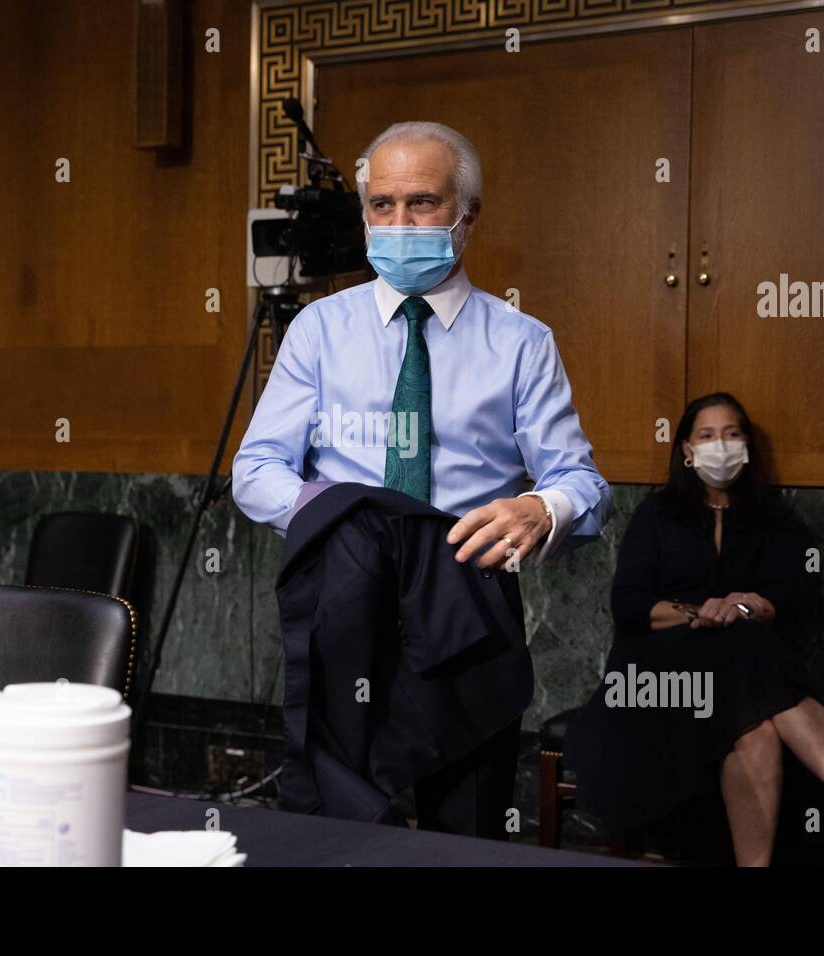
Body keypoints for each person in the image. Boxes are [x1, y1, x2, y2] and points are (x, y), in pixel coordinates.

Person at [232, 121, 611, 838]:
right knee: (331, 832)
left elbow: (583, 483)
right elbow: (255, 472)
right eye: (383, 205)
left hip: (464, 606)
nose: (399, 223)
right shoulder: (317, 330)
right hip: (343, 603)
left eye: (423, 203)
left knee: (463, 836)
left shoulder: (522, 343)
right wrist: (348, 516)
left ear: (467, 217)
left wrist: (543, 506)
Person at [563, 392, 824, 865]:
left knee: (752, 714)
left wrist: (752, 606)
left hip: (739, 681)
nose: (721, 445)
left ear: (748, 446)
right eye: (708, 436)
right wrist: (700, 612)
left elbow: (794, 598)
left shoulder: (774, 518)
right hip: (656, 680)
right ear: (687, 451)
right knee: (745, 651)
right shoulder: (657, 514)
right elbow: (628, 605)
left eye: (732, 435)